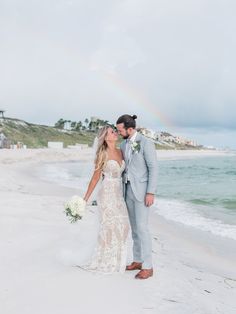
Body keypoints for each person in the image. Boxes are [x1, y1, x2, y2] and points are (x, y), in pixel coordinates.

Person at [81, 125, 130, 273]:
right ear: (105, 137)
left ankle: (118, 260)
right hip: (106, 194)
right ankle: (105, 260)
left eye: (115, 131)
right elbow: (95, 178)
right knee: (108, 227)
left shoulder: (121, 151)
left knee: (123, 225)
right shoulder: (102, 154)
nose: (115, 133)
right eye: (111, 132)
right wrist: (85, 199)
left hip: (119, 194)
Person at [116, 114, 158, 279]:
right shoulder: (123, 143)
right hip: (127, 191)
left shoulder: (146, 143)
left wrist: (150, 192)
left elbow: (153, 168)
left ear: (130, 129)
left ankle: (148, 266)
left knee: (142, 228)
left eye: (120, 130)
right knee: (134, 229)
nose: (119, 132)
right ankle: (138, 260)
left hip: (142, 193)